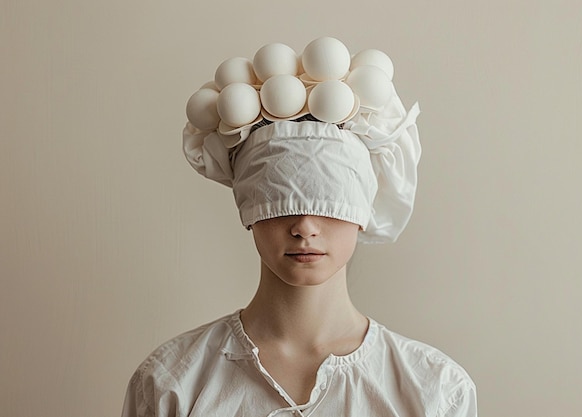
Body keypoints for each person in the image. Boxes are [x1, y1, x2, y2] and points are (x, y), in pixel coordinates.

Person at [121, 37, 477, 417]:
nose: (305, 226)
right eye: (280, 202)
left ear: (362, 209)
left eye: (328, 203)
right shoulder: (170, 385)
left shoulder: (436, 391)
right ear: (249, 208)